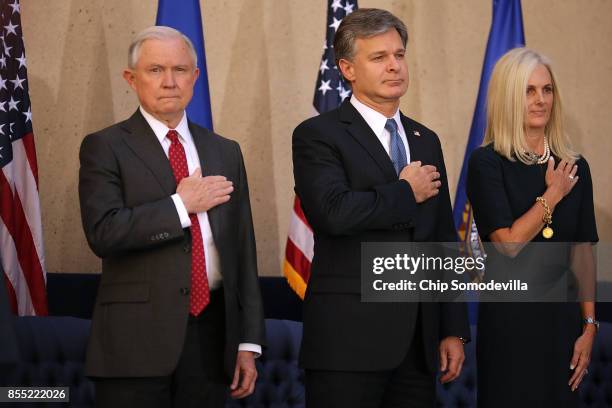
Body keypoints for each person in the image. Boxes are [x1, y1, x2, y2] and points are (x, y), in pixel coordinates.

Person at [78, 26, 265, 408]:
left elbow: (242, 251)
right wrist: (181, 206)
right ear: (131, 79)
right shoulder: (105, 146)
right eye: (155, 70)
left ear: (195, 78)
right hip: (135, 344)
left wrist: (248, 341)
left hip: (213, 341)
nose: (169, 82)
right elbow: (104, 232)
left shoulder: (224, 151)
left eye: (180, 70)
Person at [292, 8, 470, 408]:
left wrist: (452, 329)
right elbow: (333, 212)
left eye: (399, 55)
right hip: (347, 345)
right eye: (379, 58)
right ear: (347, 69)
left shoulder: (426, 139)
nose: (394, 66)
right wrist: (405, 192)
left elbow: (442, 238)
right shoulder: (318, 134)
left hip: (418, 347)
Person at [467, 47, 598, 407]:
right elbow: (508, 244)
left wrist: (589, 326)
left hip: (562, 322)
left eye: (547, 90)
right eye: (528, 91)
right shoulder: (486, 163)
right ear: (508, 97)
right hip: (510, 321)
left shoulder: (575, 166)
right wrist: (553, 194)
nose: (541, 100)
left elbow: (583, 250)